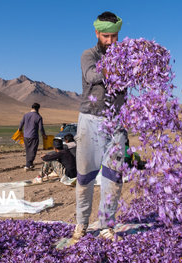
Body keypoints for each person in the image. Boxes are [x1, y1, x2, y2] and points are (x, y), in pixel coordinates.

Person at [68, 11, 126, 244]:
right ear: (96, 33)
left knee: (114, 176)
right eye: (105, 36)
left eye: (114, 36)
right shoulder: (88, 54)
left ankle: (106, 226)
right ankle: (81, 224)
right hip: (90, 120)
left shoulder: (126, 55)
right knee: (85, 176)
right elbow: (91, 74)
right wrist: (115, 66)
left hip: (117, 121)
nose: (111, 42)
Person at [18, 103, 47, 171]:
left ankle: (30, 164)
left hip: (26, 136)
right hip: (33, 136)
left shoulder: (26, 115)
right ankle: (27, 165)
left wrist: (19, 130)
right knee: (33, 151)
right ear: (38, 109)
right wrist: (44, 135)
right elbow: (41, 128)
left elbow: (21, 124)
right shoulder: (38, 117)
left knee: (28, 150)